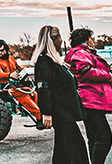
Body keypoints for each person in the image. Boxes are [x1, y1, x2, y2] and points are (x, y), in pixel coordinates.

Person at [32, 26, 89, 164]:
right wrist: (46, 112)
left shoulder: (54, 62)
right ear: (52, 40)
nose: (61, 40)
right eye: (58, 37)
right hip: (61, 115)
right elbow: (43, 87)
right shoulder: (44, 62)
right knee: (78, 152)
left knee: (62, 154)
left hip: (65, 113)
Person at [65, 28, 112, 164]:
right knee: (104, 137)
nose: (93, 42)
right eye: (91, 39)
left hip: (91, 99)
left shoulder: (82, 53)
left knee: (94, 138)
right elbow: (86, 71)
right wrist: (108, 77)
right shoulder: (81, 53)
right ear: (86, 40)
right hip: (91, 100)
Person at [0, 40, 42, 126]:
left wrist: (26, 73)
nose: (0, 53)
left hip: (17, 84)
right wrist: (10, 75)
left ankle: (40, 115)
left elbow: (19, 68)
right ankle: (40, 118)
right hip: (6, 86)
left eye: (2, 50)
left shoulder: (10, 59)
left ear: (6, 49)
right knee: (24, 97)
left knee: (34, 94)